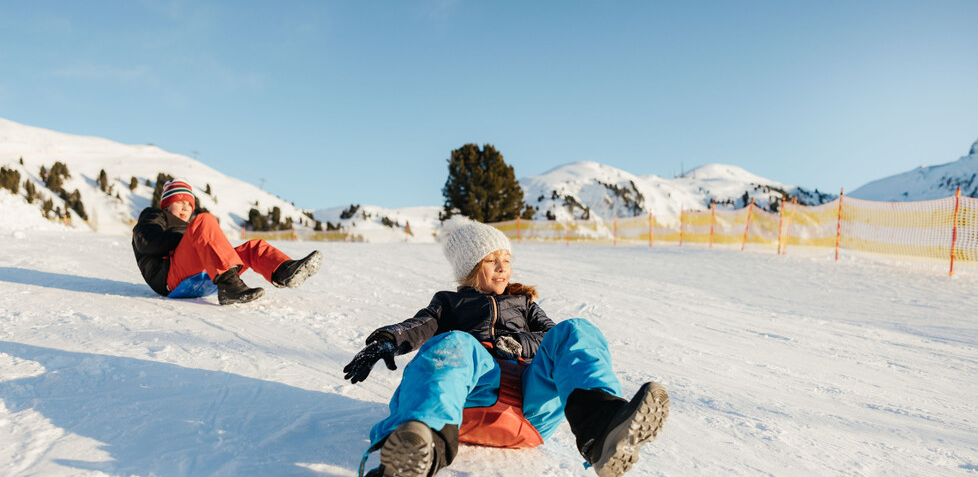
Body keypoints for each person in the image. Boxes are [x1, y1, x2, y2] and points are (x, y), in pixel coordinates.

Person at [344, 217, 669, 477]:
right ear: (470, 268)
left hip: (530, 405)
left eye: (506, 259)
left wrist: (520, 343)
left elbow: (552, 336)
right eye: (491, 260)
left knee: (576, 330)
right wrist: (386, 341)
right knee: (454, 342)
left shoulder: (524, 303)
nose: (502, 267)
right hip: (468, 399)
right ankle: (421, 444)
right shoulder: (449, 302)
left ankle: (600, 426)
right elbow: (419, 326)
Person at [132, 178, 322, 305]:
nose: (186, 207)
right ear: (166, 204)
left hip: (200, 277)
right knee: (204, 220)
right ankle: (229, 285)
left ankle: (285, 271)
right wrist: (189, 239)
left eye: (189, 204)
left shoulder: (189, 228)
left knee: (251, 248)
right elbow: (144, 241)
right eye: (179, 202)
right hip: (170, 279)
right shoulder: (154, 215)